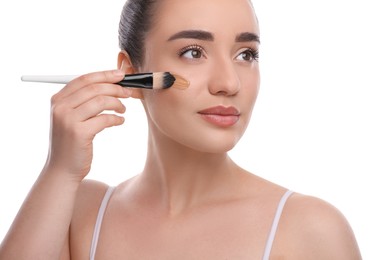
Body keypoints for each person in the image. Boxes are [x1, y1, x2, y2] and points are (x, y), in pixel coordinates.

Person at [0, 0, 362, 259]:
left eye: (246, 54)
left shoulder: (309, 229)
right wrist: (60, 170)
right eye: (193, 52)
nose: (228, 82)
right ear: (131, 72)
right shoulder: (82, 212)